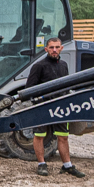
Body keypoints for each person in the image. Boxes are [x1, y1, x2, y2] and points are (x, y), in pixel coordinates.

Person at [26, 37, 84, 178]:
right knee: (39, 136)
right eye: (51, 47)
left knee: (63, 137)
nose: (54, 50)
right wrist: (37, 104)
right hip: (43, 107)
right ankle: (41, 164)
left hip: (60, 107)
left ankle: (67, 166)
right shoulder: (39, 66)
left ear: (61, 48)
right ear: (46, 49)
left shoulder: (63, 65)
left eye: (57, 47)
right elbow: (29, 89)